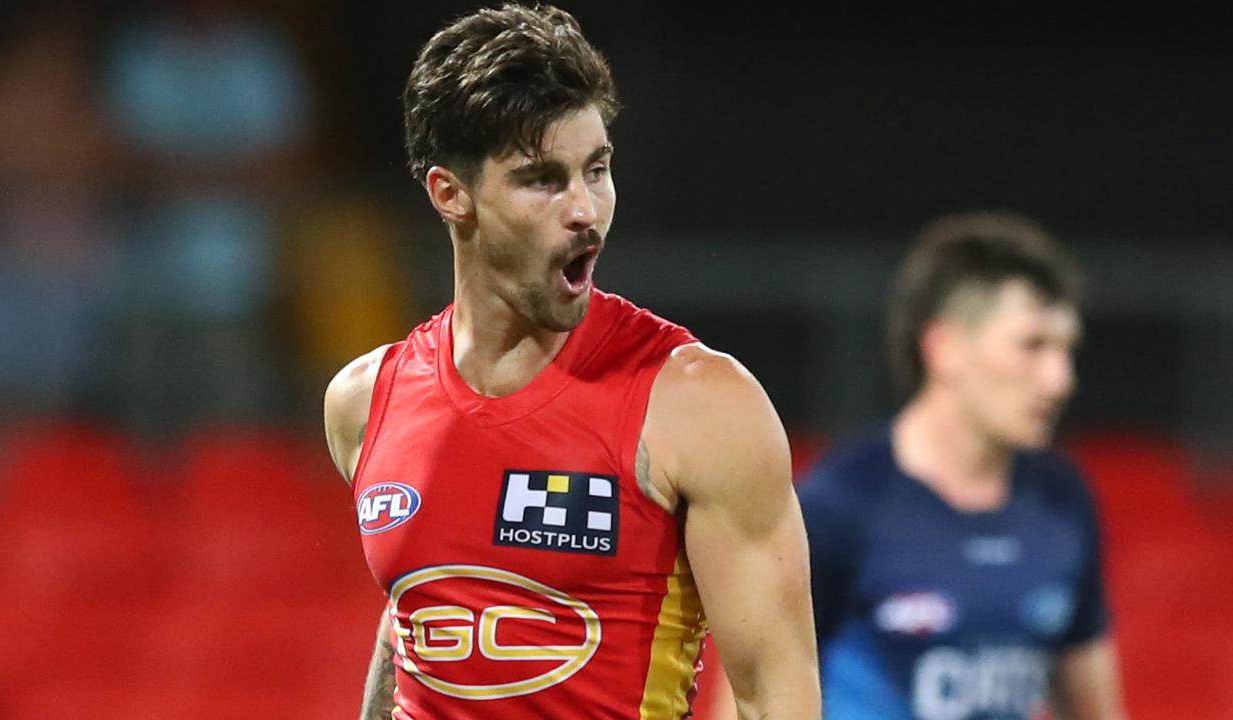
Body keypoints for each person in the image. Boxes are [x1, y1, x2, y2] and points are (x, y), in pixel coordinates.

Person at [323, 5, 820, 719]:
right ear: (449, 194)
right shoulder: (364, 402)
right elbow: (419, 620)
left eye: (598, 169)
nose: (586, 209)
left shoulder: (699, 406)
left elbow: (777, 698)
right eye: (543, 179)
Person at [797, 213, 1126, 720]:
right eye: (1032, 345)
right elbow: (745, 703)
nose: (1060, 380)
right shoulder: (836, 508)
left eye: (1066, 349)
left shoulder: (1064, 500)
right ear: (943, 347)